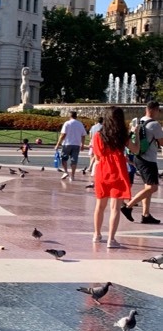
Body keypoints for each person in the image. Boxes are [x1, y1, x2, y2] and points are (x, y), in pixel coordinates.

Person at [91, 107, 139, 247]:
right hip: (118, 171)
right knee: (115, 208)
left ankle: (97, 234)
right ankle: (111, 239)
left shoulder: (98, 135)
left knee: (100, 205)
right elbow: (136, 150)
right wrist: (135, 134)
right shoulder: (122, 135)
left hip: (103, 171)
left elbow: (97, 155)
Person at [121, 99, 163, 225]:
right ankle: (128, 207)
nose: (158, 113)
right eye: (158, 111)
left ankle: (146, 214)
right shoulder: (155, 124)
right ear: (154, 110)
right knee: (153, 187)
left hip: (138, 157)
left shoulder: (139, 121)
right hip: (149, 159)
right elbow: (161, 142)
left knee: (147, 187)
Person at [54, 111, 87, 181]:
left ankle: (66, 172)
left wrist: (57, 144)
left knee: (64, 158)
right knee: (74, 160)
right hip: (76, 144)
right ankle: (72, 176)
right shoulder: (80, 124)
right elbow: (83, 135)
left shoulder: (67, 123)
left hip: (67, 144)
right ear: (76, 116)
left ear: (70, 116)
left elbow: (63, 134)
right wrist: (82, 144)